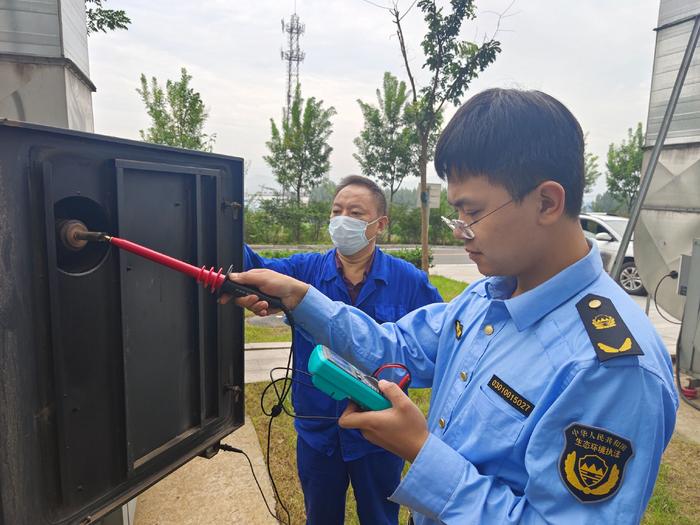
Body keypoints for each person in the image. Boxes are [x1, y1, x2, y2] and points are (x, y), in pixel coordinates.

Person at [224, 89, 678, 524]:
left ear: (546, 202)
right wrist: (299, 297)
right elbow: (396, 345)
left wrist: (422, 453)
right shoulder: (490, 295)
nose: (460, 231)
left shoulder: (610, 369)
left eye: (472, 213)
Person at [242, 175, 442, 525]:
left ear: (379, 225)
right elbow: (252, 268)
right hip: (318, 431)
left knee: (380, 517)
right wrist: (223, 224)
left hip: (379, 436)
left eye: (354, 212)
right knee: (320, 517)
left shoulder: (409, 282)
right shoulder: (304, 272)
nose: (342, 219)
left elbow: (442, 346)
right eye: (336, 211)